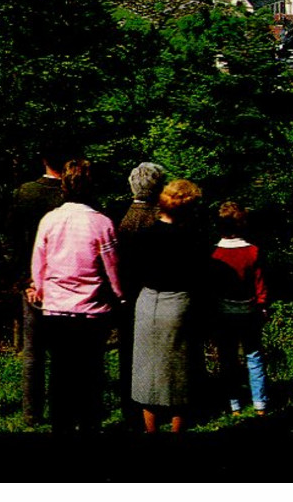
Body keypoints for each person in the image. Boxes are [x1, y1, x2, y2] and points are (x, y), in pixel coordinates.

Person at [29, 158, 123, 434]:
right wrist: (121, 295)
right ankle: (89, 426)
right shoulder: (102, 223)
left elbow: (39, 262)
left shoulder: (50, 220)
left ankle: (62, 426)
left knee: (60, 375)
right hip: (92, 310)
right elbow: (113, 267)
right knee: (91, 376)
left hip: (56, 309)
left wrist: (41, 291)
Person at [130, 178, 210, 433]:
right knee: (180, 369)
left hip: (146, 302)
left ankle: (151, 430)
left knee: (146, 368)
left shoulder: (145, 234)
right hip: (177, 303)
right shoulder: (193, 238)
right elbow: (200, 276)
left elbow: (135, 271)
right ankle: (177, 431)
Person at [7, 149, 67, 426]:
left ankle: (31, 412)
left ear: (44, 159)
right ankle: (60, 408)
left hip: (32, 279)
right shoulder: (72, 195)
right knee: (62, 351)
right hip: (65, 281)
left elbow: (15, 241)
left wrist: (23, 279)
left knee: (33, 352)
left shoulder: (25, 193)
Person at [115, 161, 166, 426]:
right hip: (155, 294)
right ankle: (158, 404)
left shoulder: (122, 219)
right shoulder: (160, 219)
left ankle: (130, 405)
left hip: (126, 294)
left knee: (129, 353)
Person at [210, 201, 270, 416]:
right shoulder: (253, 251)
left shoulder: (215, 254)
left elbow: (212, 288)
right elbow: (260, 283)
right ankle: (260, 404)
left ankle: (234, 404)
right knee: (254, 356)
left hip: (224, 313)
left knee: (228, 358)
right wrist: (263, 305)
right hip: (249, 311)